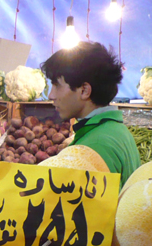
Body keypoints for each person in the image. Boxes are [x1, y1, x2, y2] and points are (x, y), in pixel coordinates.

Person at [42, 41, 141, 186]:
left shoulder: (95, 147)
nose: (51, 95)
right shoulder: (116, 130)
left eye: (57, 85)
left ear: (84, 91)